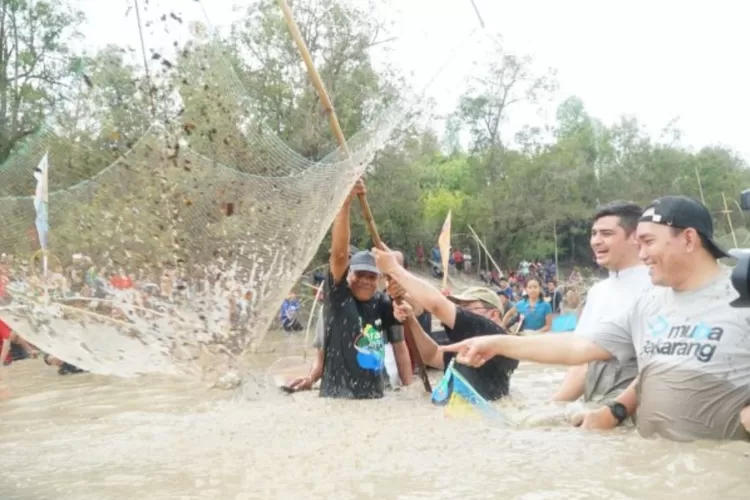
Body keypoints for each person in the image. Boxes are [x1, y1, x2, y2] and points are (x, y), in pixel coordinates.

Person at [440, 195, 750, 441]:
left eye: (648, 242)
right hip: (652, 465)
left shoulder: (742, 294)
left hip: (721, 464)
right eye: (638, 244)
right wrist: (497, 342)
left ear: (689, 239)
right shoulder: (649, 305)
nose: (641, 255)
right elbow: (579, 348)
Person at [289, 180, 412, 397]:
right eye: (360, 274)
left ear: (379, 279)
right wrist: (345, 204)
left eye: (371, 276)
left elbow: (400, 347)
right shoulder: (338, 298)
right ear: (349, 276)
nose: (365, 280)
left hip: (375, 397)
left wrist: (410, 391)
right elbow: (338, 255)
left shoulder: (383, 303)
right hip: (339, 396)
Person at [372, 247, 518, 400]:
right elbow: (431, 355)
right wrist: (411, 319)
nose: (461, 312)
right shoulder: (469, 349)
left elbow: (437, 306)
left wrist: (394, 269)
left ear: (493, 315)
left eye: (466, 308)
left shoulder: (498, 339)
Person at [552, 201, 651, 403]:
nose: (596, 241)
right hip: (598, 404)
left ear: (635, 237)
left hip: (636, 407)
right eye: (594, 233)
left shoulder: (657, 287)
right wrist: (554, 406)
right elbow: (581, 360)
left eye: (606, 234)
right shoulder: (598, 291)